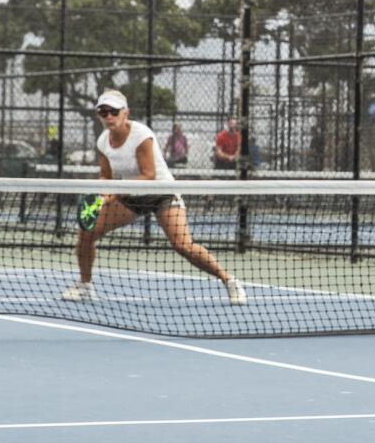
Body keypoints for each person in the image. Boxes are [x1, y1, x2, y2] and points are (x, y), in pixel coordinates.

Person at [62, 90, 245, 306]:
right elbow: (106, 176)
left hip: (161, 192)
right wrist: (102, 193)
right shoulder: (103, 141)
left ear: (125, 113)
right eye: (103, 112)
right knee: (86, 233)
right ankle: (85, 286)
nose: (108, 116)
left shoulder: (141, 135)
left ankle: (229, 281)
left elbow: (148, 175)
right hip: (131, 196)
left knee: (182, 245)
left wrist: (116, 193)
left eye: (113, 111)